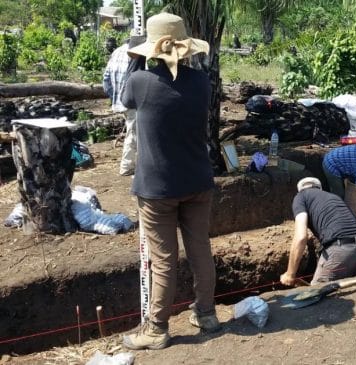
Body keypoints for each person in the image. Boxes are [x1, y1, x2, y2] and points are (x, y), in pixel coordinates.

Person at [120, 12, 219, 350]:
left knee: (163, 260)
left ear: (151, 50)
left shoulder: (141, 83)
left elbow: (125, 98)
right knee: (200, 250)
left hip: (157, 189)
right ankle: (206, 314)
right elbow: (185, 80)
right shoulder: (202, 83)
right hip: (198, 182)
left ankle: (157, 328)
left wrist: (136, 56)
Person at [280, 177, 356, 286]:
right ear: (320, 188)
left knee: (316, 294)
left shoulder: (300, 197)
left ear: (300, 190)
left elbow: (301, 237)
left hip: (341, 247)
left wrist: (290, 274)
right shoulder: (333, 197)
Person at [102, 34, 146, 176]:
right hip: (132, 101)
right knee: (134, 133)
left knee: (132, 130)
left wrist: (115, 97)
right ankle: (127, 167)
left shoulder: (117, 52)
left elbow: (106, 79)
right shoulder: (138, 54)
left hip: (121, 101)